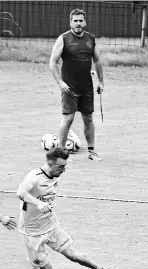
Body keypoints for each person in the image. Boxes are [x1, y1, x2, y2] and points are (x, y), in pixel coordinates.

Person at [16, 147, 122, 269]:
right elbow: (20, 192)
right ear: (50, 164)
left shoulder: (55, 175)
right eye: (61, 166)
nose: (63, 170)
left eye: (65, 166)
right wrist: (38, 203)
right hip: (32, 233)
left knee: (74, 255)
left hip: (51, 226)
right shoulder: (34, 176)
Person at [48, 8, 104, 161]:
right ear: (70, 22)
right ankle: (60, 153)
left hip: (86, 87)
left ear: (85, 22)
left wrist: (101, 81)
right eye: (75, 21)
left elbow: (98, 60)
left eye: (81, 20)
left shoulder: (91, 39)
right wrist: (60, 82)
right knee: (68, 119)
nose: (78, 23)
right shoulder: (64, 39)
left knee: (88, 118)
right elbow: (52, 62)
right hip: (69, 87)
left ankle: (91, 152)